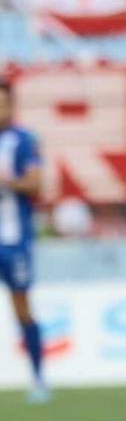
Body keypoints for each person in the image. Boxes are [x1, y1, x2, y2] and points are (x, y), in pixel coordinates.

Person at [0, 78, 49, 404]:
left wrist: (8, 182)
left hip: (14, 240)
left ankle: (38, 379)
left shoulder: (24, 141)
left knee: (22, 308)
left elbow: (36, 184)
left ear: (12, 106)